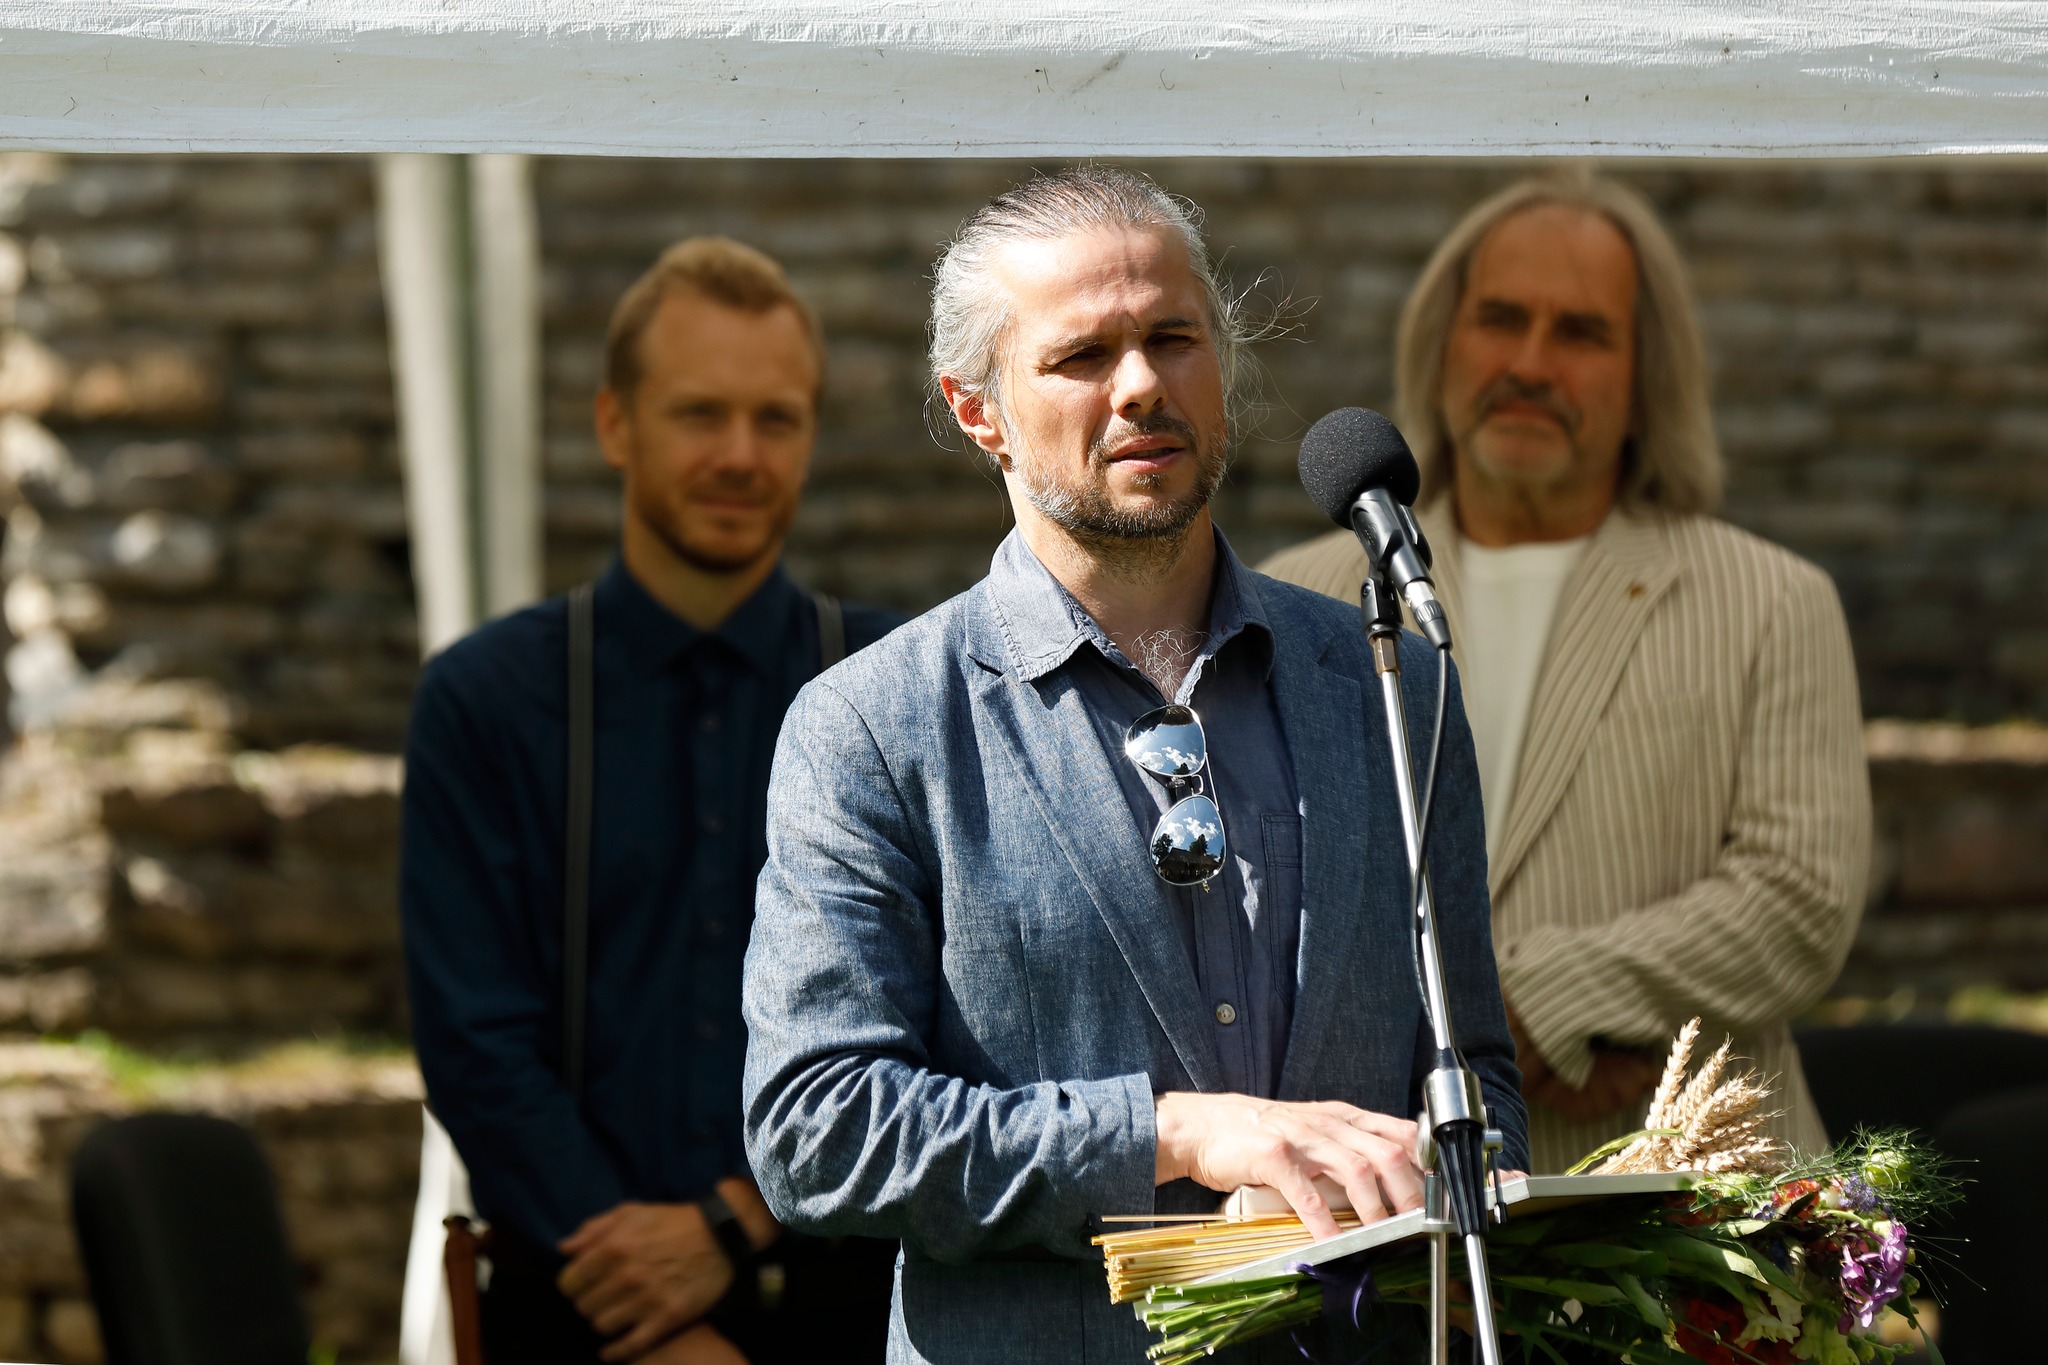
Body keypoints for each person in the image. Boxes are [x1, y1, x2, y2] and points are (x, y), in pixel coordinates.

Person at [741, 167, 1526, 1364]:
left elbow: (1473, 1077)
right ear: (976, 409)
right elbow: (816, 1134)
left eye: (1173, 338)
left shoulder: (1388, 684)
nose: (1143, 385)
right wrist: (1174, 1137)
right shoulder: (872, 725)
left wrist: (1421, 1195)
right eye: (1081, 357)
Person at [1261, 169, 1870, 1174]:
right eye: (1498, 319)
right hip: (1394, 1212)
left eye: (1580, 333)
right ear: (1440, 343)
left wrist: (1556, 999)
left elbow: (1796, 897)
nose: (1530, 363)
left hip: (1685, 1212)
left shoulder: (1770, 599)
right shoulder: (1300, 597)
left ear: (1646, 378)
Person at [403, 237, 902, 1365]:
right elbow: (476, 1043)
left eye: (775, 419)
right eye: (698, 414)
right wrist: (656, 1311)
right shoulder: (486, 701)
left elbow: (952, 1009)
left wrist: (738, 1220)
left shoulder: (892, 687)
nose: (739, 454)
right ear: (614, 425)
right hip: (580, 1315)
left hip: (857, 1309)